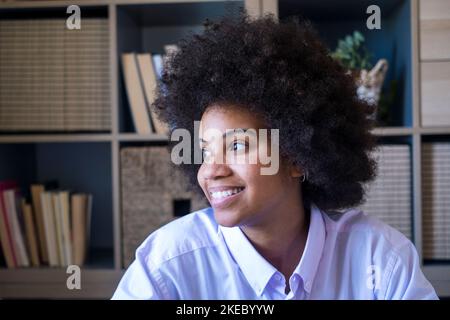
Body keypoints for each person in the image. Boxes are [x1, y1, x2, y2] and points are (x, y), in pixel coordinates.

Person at [112, 14, 437, 300]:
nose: (210, 171)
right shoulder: (167, 268)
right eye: (205, 150)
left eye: (237, 146)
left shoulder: (380, 261)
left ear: (297, 156)